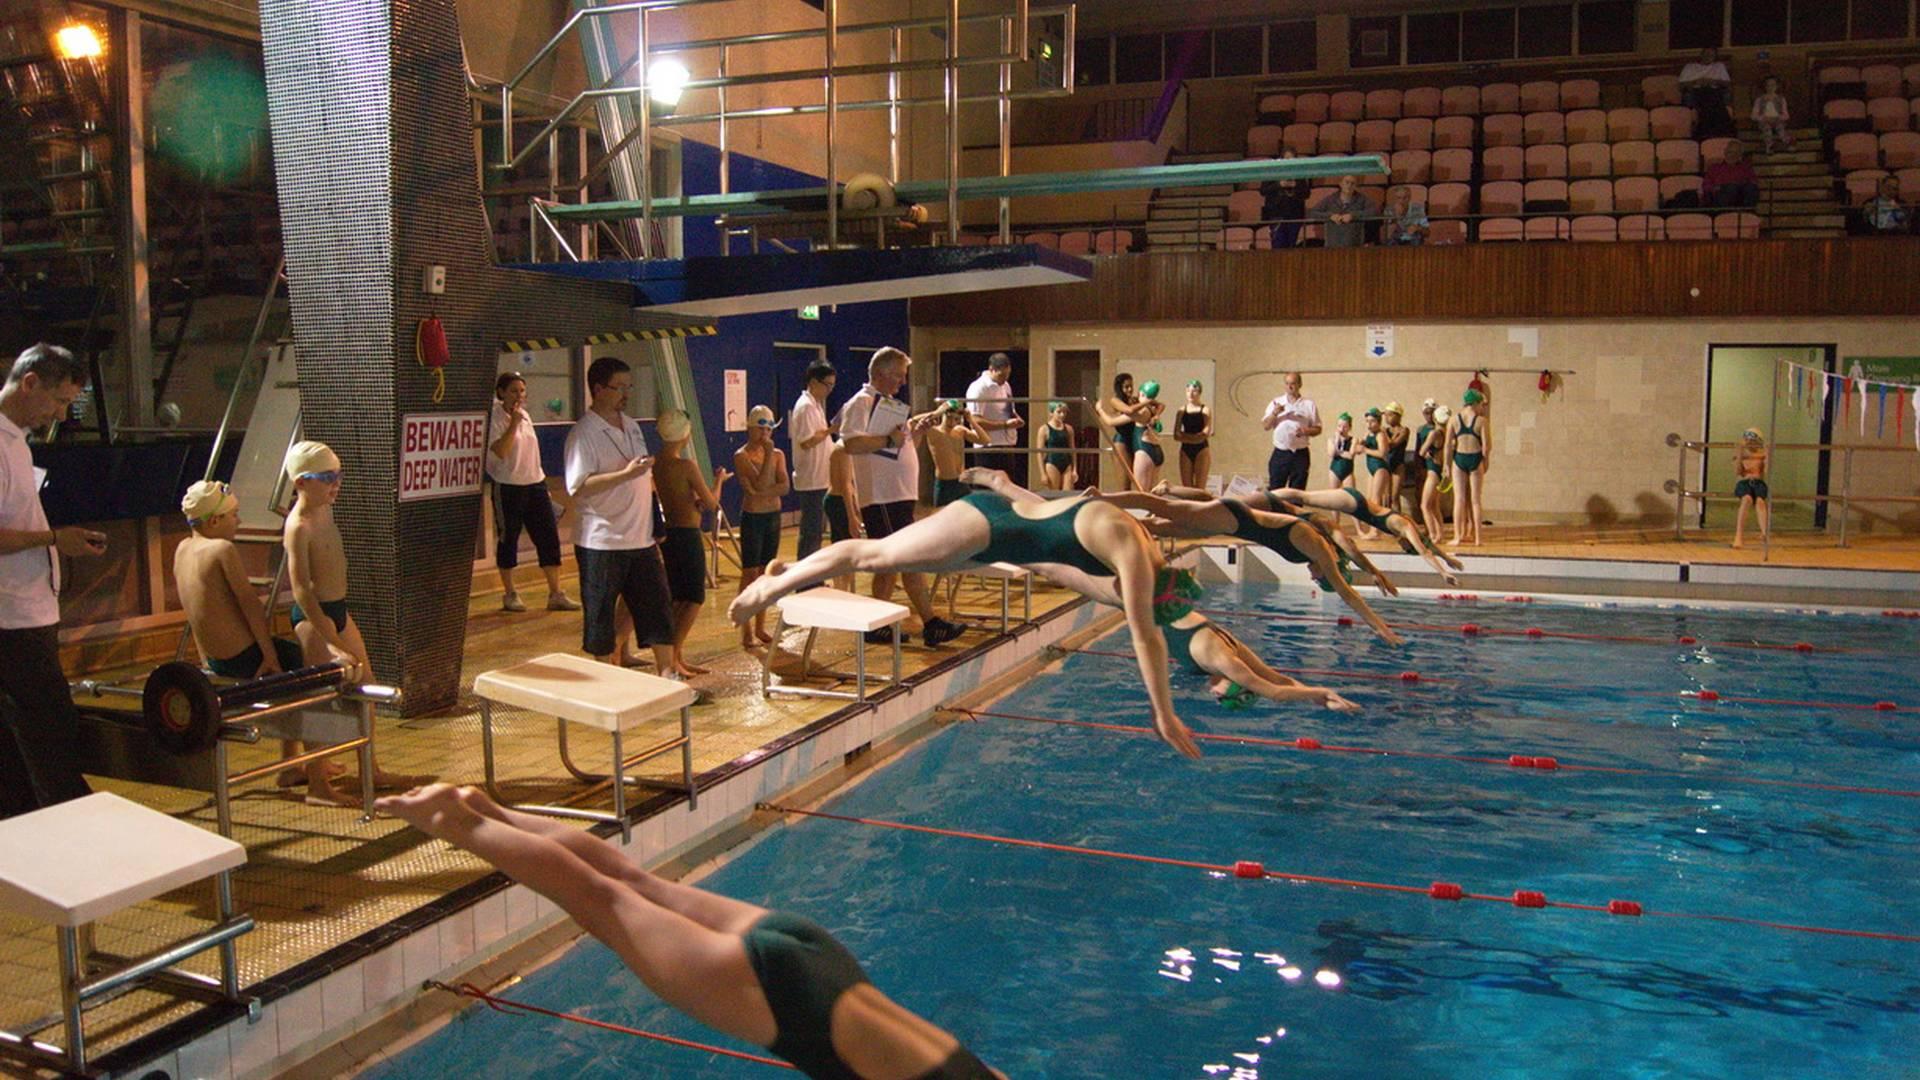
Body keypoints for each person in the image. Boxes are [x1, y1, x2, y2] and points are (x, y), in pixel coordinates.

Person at [377, 783, 1006, 1080]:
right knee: (601, 905)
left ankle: (490, 811)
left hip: (821, 961)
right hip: (784, 1002)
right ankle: (456, 822)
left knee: (631, 881)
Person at [730, 473, 1207, 758]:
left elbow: (1054, 513)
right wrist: (1162, 713)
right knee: (872, 556)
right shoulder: (1132, 557)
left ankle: (792, 570)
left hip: (999, 532)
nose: (1135, 603)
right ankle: (772, 585)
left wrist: (1002, 482)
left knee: (897, 560)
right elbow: (1146, 638)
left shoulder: (1128, 550)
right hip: (985, 524)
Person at [1082, 483, 1403, 645]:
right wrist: (1380, 626)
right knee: (1164, 507)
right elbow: (1349, 593)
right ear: (1327, 573)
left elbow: (1346, 583)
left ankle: (1118, 523)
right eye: (1319, 579)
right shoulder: (1317, 547)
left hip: (1234, 524)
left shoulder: (1317, 553)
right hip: (1236, 516)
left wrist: (1374, 573)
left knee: (1168, 526)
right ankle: (1101, 496)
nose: (1312, 575)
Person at [283, 440, 423, 799]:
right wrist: (329, 638)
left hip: (339, 610)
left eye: (338, 475)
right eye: (327, 477)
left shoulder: (325, 509)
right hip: (313, 619)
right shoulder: (298, 526)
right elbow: (300, 589)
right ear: (301, 482)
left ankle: (370, 770)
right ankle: (317, 784)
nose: (336, 483)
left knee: (367, 688)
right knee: (320, 701)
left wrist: (338, 626)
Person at [175, 479, 333, 794]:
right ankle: (319, 782)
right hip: (246, 656)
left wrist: (206, 658)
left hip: (219, 659)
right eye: (234, 515)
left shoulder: (183, 549)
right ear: (214, 521)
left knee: (291, 683)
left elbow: (194, 611)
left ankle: (291, 768)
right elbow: (250, 608)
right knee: (316, 669)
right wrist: (270, 656)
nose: (240, 521)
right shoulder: (222, 549)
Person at [0, 343, 101, 819]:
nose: (59, 415)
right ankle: (67, 821)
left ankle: (29, 826)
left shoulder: (16, 440)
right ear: (30, 382)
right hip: (11, 615)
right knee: (48, 728)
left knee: (25, 734)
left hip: (28, 605)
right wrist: (54, 538)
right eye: (58, 401)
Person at [834, 347, 964, 647]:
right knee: (902, 560)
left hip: (897, 496)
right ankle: (929, 623)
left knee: (892, 564)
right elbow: (850, 444)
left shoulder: (886, 405)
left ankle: (880, 624)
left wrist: (913, 432)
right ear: (880, 374)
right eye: (898, 376)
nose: (902, 382)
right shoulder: (861, 403)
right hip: (882, 498)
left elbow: (896, 450)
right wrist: (888, 439)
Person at [563, 357, 677, 673]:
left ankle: (668, 673)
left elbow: (643, 477)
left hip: (640, 537)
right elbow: (580, 487)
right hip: (602, 541)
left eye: (629, 386)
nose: (625, 394)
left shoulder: (632, 425)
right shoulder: (584, 433)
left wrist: (655, 518)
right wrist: (625, 475)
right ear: (598, 389)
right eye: (619, 387)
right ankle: (605, 677)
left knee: (657, 608)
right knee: (600, 613)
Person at [487, 372, 578, 614]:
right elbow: (501, 452)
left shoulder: (526, 415)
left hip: (535, 483)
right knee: (509, 539)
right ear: (501, 392)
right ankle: (510, 593)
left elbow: (531, 454)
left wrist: (543, 487)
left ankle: (555, 593)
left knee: (548, 537)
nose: (519, 396)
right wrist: (513, 423)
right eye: (514, 391)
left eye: (522, 391)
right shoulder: (495, 418)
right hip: (508, 485)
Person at [651, 408, 729, 677]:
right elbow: (710, 503)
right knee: (694, 597)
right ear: (685, 435)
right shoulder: (686, 465)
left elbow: (678, 498)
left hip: (668, 535)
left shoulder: (656, 464)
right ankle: (673, 656)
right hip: (687, 535)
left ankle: (677, 658)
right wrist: (719, 481)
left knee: (677, 598)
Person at [734, 405, 790, 650]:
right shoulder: (741, 455)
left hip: (772, 517)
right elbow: (760, 483)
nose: (765, 434)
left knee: (767, 573)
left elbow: (784, 487)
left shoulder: (778, 454)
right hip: (753, 518)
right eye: (760, 428)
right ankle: (745, 629)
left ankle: (760, 627)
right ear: (750, 428)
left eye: (769, 428)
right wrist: (767, 459)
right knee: (749, 574)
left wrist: (763, 490)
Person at [789, 360, 837, 562]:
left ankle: (813, 578)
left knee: (816, 532)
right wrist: (831, 430)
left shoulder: (816, 405)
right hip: (811, 480)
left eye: (832, 386)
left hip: (820, 478)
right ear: (813, 382)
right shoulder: (806, 407)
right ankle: (807, 581)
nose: (830, 390)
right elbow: (807, 442)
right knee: (811, 532)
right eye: (827, 385)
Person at [964, 352, 1024, 487]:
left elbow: (1009, 409)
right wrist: (1004, 424)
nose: (1004, 379)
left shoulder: (1006, 385)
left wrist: (1016, 419)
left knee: (1007, 488)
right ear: (992, 369)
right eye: (1001, 375)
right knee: (987, 490)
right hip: (988, 447)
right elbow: (975, 420)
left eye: (1007, 375)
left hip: (1007, 443)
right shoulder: (979, 388)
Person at [921, 400, 990, 507]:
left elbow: (985, 440)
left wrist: (971, 420)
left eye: (956, 419)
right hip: (945, 483)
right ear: (943, 416)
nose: (952, 422)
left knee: (967, 517)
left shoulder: (960, 431)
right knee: (942, 518)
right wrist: (937, 412)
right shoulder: (934, 432)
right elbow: (913, 421)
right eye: (949, 417)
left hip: (962, 482)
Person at [1261, 370, 1321, 491]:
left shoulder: (1309, 404)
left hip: (1300, 454)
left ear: (1299, 384)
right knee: (1276, 490)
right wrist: (1275, 413)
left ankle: (1295, 510)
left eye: (1293, 383)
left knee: (1297, 492)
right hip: (1281, 453)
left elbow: (1318, 429)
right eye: (1287, 383)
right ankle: (1276, 510)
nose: (1290, 387)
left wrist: (1306, 431)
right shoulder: (1276, 402)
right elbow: (1265, 426)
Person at [1447, 389, 1490, 547]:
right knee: (1476, 501)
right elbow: (1486, 447)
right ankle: (1478, 539)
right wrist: (1486, 461)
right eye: (1481, 405)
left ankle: (1458, 537)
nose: (1482, 408)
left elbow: (1447, 446)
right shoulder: (1482, 421)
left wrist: (1446, 464)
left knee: (1459, 499)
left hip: (1459, 460)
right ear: (1476, 403)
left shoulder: (1453, 420)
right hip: (1475, 458)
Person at [822, 438, 862, 593]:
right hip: (838, 501)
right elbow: (845, 485)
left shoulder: (849, 447)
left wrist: (856, 505)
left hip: (842, 500)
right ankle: (841, 589)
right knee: (842, 551)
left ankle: (845, 589)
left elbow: (851, 485)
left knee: (846, 551)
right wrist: (852, 517)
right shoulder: (842, 449)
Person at [1259, 148, 1309, 248]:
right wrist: (1279, 184)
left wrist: (1295, 185)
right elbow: (1263, 191)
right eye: (1287, 159)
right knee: (1278, 245)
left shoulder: (1299, 175)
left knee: (1292, 245)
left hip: (1294, 216)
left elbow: (1306, 193)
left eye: (1292, 159)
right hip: (1276, 215)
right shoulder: (1271, 172)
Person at [1679, 47, 1733, 139]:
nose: (1709, 56)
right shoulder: (1690, 67)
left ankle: (1716, 131)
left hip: (1714, 91)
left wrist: (1712, 81)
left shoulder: (1719, 66)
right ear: (1701, 54)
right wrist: (1697, 82)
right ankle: (1708, 131)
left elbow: (1727, 83)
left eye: (1712, 55)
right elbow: (1681, 85)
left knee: (1713, 97)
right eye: (1707, 54)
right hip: (1696, 92)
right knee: (1707, 98)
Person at [1415, 402, 1450, 543]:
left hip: (1432, 473)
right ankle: (1440, 534)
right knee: (1434, 506)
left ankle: (1433, 535)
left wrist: (1427, 452)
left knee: (1425, 506)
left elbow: (1421, 451)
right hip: (1439, 472)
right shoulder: (1446, 433)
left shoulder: (1434, 433)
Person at [1309, 174, 1374, 248]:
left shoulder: (1362, 199)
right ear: (1340, 184)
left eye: (1352, 183)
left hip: (1354, 244)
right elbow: (1313, 212)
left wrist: (1353, 216)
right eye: (1347, 182)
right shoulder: (1330, 199)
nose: (1349, 186)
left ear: (1356, 186)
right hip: (1332, 244)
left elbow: (1373, 211)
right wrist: (1330, 216)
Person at [1732, 426, 1769, 550]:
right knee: (1746, 499)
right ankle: (1738, 535)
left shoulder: (1761, 454)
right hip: (1744, 482)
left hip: (1758, 482)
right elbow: (1738, 472)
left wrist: (1767, 455)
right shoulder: (1741, 452)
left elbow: (1766, 472)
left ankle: (1764, 533)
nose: (1751, 444)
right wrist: (1739, 456)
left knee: (1760, 502)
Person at [1174, 380, 1212, 489]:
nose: (1191, 394)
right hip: (1186, 450)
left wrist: (1185, 437)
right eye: (1188, 391)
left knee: (1200, 487)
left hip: (1201, 449)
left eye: (1194, 391)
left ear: (1199, 392)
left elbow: (1205, 433)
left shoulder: (1205, 410)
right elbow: (1176, 435)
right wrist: (1195, 438)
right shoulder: (1181, 410)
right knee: (1187, 488)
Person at [1376, 402, 1410, 517]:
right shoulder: (1385, 431)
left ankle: (1399, 525)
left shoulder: (1404, 430)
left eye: (1389, 415)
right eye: (1385, 415)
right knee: (1386, 497)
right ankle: (1387, 524)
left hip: (1398, 466)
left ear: (1398, 416)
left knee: (1395, 497)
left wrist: (1383, 432)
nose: (1386, 418)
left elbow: (1392, 444)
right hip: (1386, 465)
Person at [1702, 141, 1758, 209]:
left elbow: (1753, 181)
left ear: (1740, 155)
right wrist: (1715, 189)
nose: (1732, 155)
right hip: (1721, 197)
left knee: (1750, 188)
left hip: (1740, 196)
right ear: (1725, 152)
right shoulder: (1714, 168)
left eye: (1736, 153)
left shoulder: (1746, 168)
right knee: (1731, 188)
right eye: (1730, 152)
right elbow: (1706, 185)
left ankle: (1747, 213)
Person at [1038, 401, 1078, 491]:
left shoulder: (1069, 429)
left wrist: (1075, 469)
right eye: (1059, 412)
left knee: (1067, 494)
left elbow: (1073, 450)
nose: (1062, 415)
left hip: (1066, 462)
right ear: (1051, 413)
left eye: (1064, 412)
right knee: (1054, 493)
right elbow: (1039, 453)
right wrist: (1043, 473)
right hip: (1052, 462)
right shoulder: (1044, 429)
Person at [1751, 75, 1793, 155]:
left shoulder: (1781, 99)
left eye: (1773, 85)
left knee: (1781, 129)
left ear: (1777, 86)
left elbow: (1786, 115)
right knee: (1767, 129)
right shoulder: (1760, 99)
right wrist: (1763, 118)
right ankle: (1769, 146)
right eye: (1768, 85)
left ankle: (1788, 143)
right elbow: (1753, 115)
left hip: (1777, 120)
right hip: (1764, 121)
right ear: (1765, 86)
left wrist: (1778, 118)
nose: (1770, 87)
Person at [1325, 412, 1356, 490]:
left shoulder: (1354, 440)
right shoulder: (1331, 440)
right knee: (1333, 495)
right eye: (1339, 426)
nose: (1341, 429)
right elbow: (1331, 453)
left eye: (1345, 427)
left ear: (1350, 427)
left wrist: (1338, 452)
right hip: (1335, 470)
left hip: (1348, 471)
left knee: (1350, 494)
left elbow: (1350, 456)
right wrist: (1337, 440)